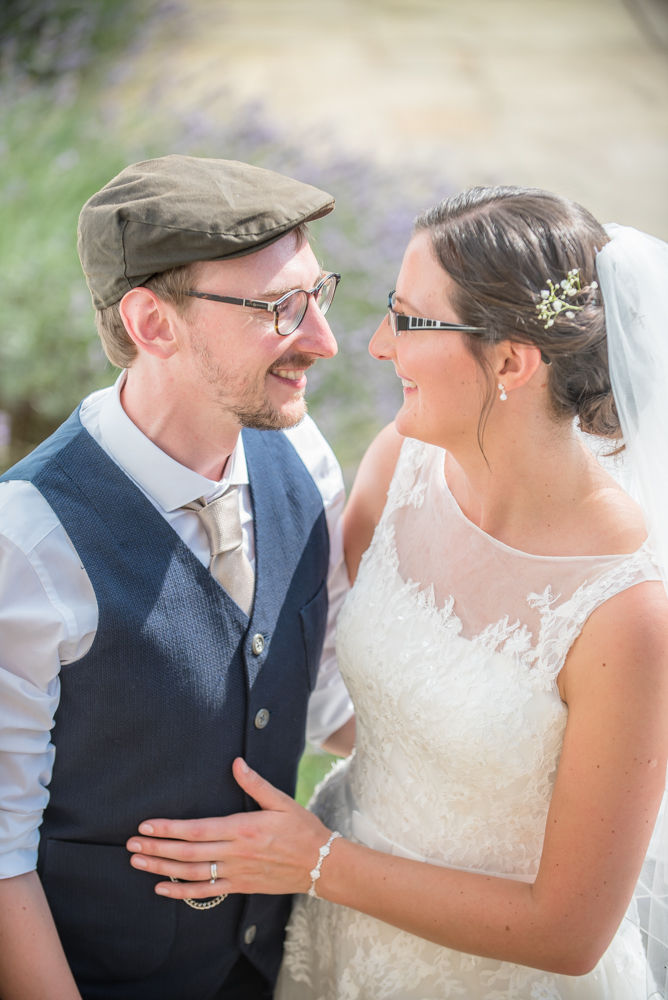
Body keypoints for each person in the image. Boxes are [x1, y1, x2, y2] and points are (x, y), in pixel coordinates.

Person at [126, 185, 668, 999]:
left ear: (512, 361)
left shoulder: (627, 611)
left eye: (411, 321)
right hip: (335, 936)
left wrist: (314, 861)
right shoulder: (400, 464)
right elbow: (355, 684)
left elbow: (569, 931)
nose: (377, 345)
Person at [0, 153, 355, 1000]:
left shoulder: (306, 459)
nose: (323, 340)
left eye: (318, 295)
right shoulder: (26, 541)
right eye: (280, 309)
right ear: (153, 323)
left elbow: (324, 697)